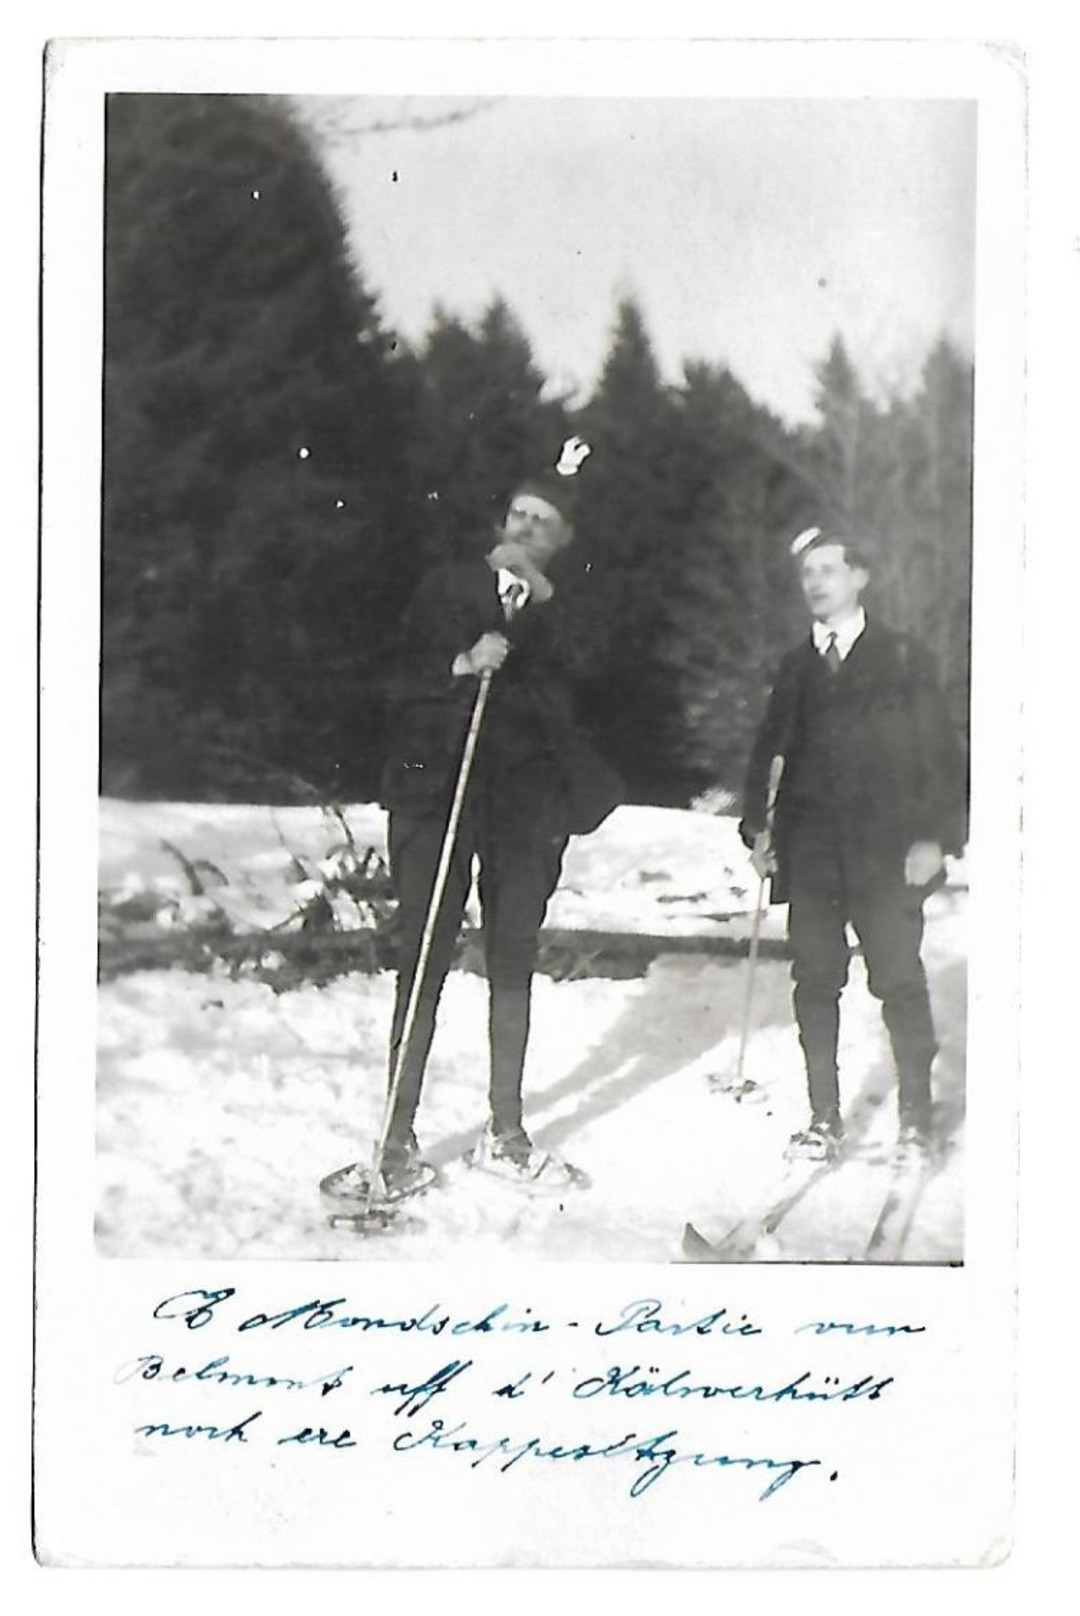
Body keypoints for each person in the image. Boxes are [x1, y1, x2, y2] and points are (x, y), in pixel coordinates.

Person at [373, 448, 621, 1192]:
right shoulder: (444, 589)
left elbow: (591, 690)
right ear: (500, 523)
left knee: (512, 957)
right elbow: (384, 679)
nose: (526, 527)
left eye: (544, 522)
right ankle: (394, 1135)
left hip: (524, 810)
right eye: (518, 514)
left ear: (562, 542)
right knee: (423, 957)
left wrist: (541, 625)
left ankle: (506, 1130)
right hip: (435, 800)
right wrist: (458, 664)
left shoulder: (572, 615)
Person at [739, 527, 967, 1165]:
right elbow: (767, 753)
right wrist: (758, 827)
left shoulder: (901, 656)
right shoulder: (794, 667)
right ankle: (823, 1117)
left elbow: (942, 757)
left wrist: (934, 837)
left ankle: (916, 1120)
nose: (815, 582)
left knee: (897, 978)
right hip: (811, 852)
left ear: (860, 577)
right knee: (815, 980)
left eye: (829, 569)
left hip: (886, 849)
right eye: (807, 572)